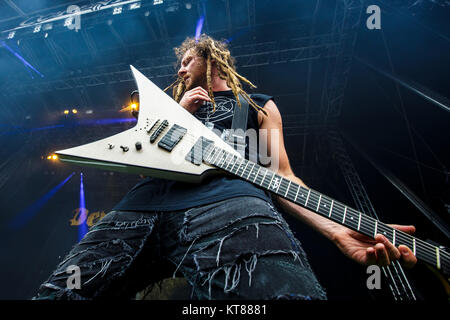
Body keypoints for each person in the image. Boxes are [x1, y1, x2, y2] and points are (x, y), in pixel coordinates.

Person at [33, 35, 417, 300]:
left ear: (210, 58)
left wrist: (336, 231)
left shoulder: (258, 105)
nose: (180, 71)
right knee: (64, 290)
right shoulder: (170, 110)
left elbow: (282, 176)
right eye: (179, 65)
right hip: (140, 209)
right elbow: (134, 157)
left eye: (187, 62)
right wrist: (178, 117)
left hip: (232, 205)